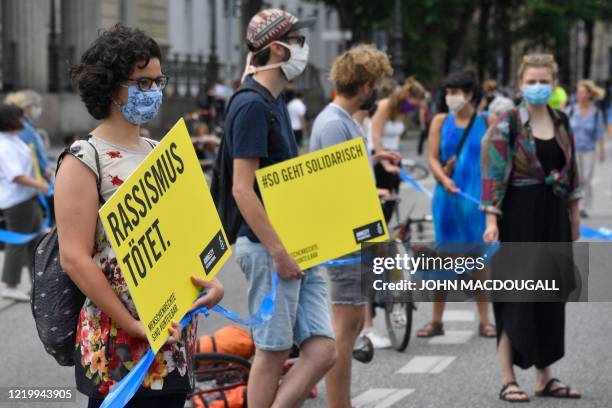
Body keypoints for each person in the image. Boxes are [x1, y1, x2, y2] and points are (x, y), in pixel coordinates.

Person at [56, 24, 224, 408]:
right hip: (119, 345)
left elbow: (187, 238)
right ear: (112, 85)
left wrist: (210, 285)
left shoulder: (160, 150)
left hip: (172, 341)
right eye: (142, 82)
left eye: (157, 81)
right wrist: (133, 325)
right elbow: (74, 258)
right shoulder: (84, 158)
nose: (154, 90)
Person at [224, 9, 337, 408]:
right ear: (277, 48)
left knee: (323, 351)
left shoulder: (273, 100)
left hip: (296, 245)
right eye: (299, 41)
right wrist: (279, 253)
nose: (304, 50)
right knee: (271, 352)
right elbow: (242, 189)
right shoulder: (252, 105)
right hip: (269, 247)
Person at [482, 53, 582, 402]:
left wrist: (574, 217)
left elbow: (572, 172)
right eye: (531, 81)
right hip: (518, 216)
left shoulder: (561, 121)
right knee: (515, 297)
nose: (537, 87)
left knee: (549, 297)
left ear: (553, 84)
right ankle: (508, 378)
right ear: (520, 83)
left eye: (544, 81)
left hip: (553, 215)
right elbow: (493, 174)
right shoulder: (507, 122)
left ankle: (545, 378)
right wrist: (491, 220)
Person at [309, 44, 397, 408]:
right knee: (344, 329)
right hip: (344, 238)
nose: (375, 91)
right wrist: (369, 191)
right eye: (375, 83)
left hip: (355, 234)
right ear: (365, 86)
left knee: (353, 323)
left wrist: (373, 164)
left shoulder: (343, 122)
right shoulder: (333, 124)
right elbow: (333, 186)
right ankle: (339, 404)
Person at [420, 70, 496, 339]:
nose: (451, 97)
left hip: (476, 200)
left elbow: (497, 159)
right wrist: (443, 178)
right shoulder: (440, 121)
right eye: (449, 92)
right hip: (447, 200)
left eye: (456, 92)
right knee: (443, 258)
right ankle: (436, 320)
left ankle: (485, 321)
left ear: (470, 95)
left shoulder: (486, 121)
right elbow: (431, 158)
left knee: (478, 261)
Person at [0, 104, 48, 301]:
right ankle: (10, 285)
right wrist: (39, 184)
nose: (23, 121)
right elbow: (16, 175)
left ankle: (37, 284)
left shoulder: (13, 140)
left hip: (27, 198)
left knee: (35, 242)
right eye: (20, 118)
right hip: (17, 201)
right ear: (11, 120)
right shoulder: (5, 145)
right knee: (18, 243)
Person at [370, 77, 426, 196]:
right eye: (414, 104)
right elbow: (375, 135)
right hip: (379, 157)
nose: (413, 108)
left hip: (393, 157)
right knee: (381, 203)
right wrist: (386, 164)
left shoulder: (401, 112)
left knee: (392, 200)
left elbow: (395, 138)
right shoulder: (385, 106)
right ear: (407, 95)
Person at [565, 79, 606, 218]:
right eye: (578, 92)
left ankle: (585, 208)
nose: (579, 95)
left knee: (586, 180)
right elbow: (564, 130)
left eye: (582, 92)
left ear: (589, 94)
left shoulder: (596, 113)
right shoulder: (570, 110)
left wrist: (601, 151)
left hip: (589, 150)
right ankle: (574, 206)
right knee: (575, 179)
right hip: (573, 150)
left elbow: (599, 133)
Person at [4, 90, 52, 181]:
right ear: (27, 107)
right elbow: (36, 155)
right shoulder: (25, 128)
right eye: (36, 105)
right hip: (34, 180)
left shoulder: (22, 126)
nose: (39, 109)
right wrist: (47, 174)